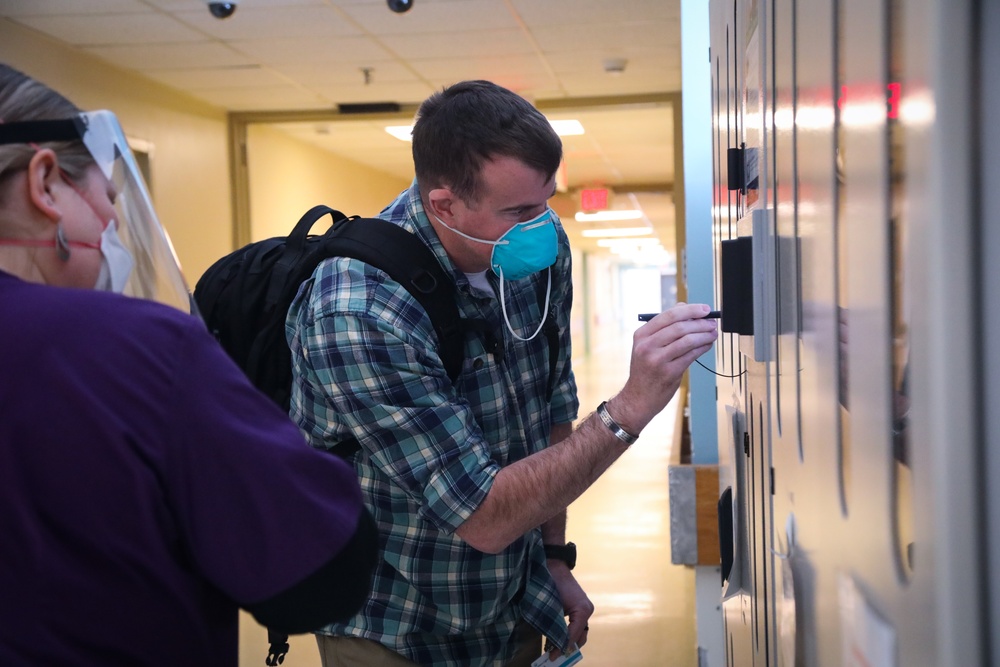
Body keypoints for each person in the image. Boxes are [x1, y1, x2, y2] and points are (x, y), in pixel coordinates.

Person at [286, 79, 718, 667]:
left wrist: (553, 556)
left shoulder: (537, 250)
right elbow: (483, 516)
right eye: (518, 211)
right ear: (444, 205)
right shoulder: (358, 309)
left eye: (547, 202)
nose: (542, 226)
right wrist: (630, 408)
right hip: (395, 625)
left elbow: (549, 406)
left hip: (512, 604)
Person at [0, 64, 378, 666]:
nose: (113, 227)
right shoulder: (135, 349)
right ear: (45, 183)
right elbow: (320, 577)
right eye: (107, 199)